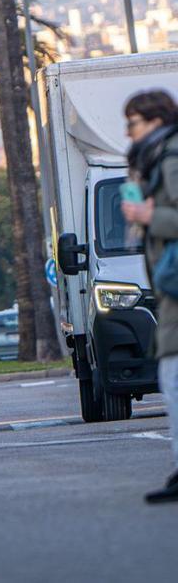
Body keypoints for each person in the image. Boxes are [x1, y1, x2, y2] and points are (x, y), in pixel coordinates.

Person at [120, 89, 178, 504]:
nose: (129, 132)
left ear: (156, 121)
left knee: (172, 380)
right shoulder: (158, 158)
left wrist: (147, 216)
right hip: (171, 287)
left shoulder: (171, 158)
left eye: (134, 123)